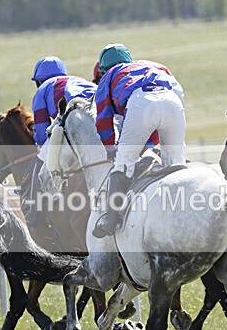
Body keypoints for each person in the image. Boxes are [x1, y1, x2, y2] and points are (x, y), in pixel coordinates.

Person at [91, 43, 186, 238]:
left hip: (141, 102)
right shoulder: (152, 66)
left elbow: (103, 122)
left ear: (102, 70)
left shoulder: (107, 77)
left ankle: (112, 219)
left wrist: (111, 150)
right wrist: (151, 142)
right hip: (173, 102)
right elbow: (178, 94)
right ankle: (184, 211)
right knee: (176, 164)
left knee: (123, 164)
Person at [26, 56, 96, 226]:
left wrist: (43, 150)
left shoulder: (43, 89)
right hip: (99, 121)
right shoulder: (81, 80)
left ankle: (33, 213)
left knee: (39, 162)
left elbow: (42, 129)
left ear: (40, 80)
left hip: (75, 125)